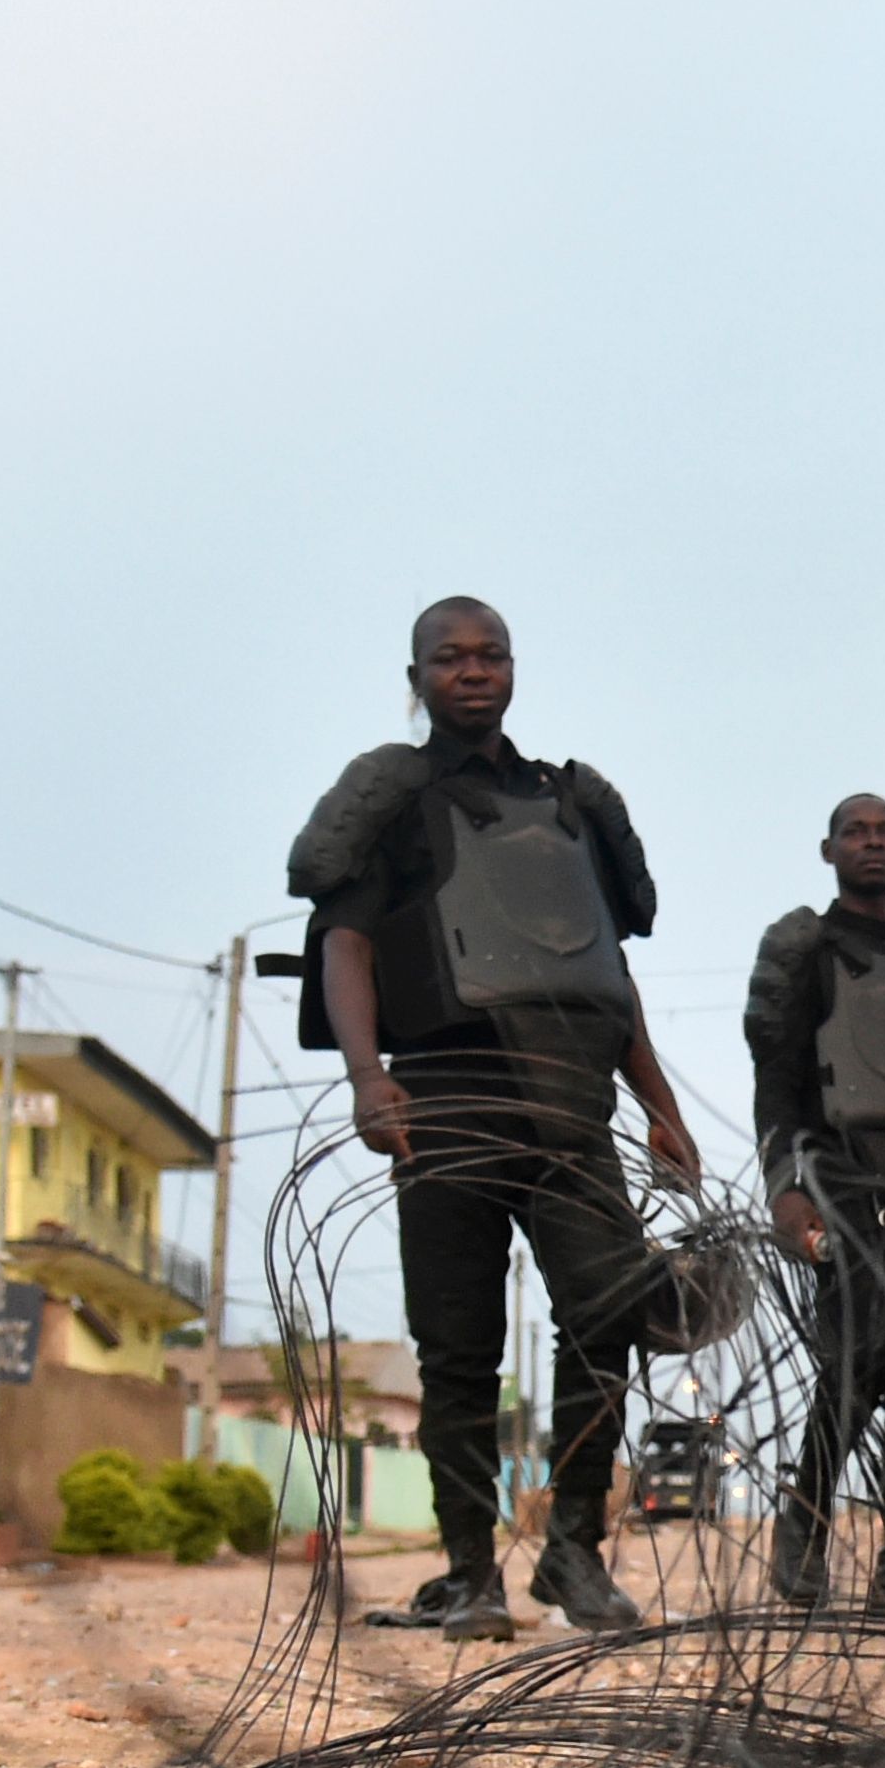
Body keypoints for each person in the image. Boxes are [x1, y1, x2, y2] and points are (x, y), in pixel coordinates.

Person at [289, 596, 703, 1639]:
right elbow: (345, 941)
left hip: (572, 1108)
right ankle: (471, 1570)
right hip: (447, 1102)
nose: (473, 673)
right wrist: (367, 1075)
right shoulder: (392, 795)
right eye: (449, 658)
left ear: (514, 668)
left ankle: (573, 1549)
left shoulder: (570, 806)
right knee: (458, 1348)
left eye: (492, 656)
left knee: (610, 1318)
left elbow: (606, 972)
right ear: (417, 674)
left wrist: (660, 1105)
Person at [742, 791, 885, 1616]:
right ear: (828, 850)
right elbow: (777, 1083)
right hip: (843, 1174)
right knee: (852, 1363)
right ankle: (801, 1534)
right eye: (855, 833)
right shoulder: (805, 950)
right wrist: (785, 1188)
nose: (871, 844)